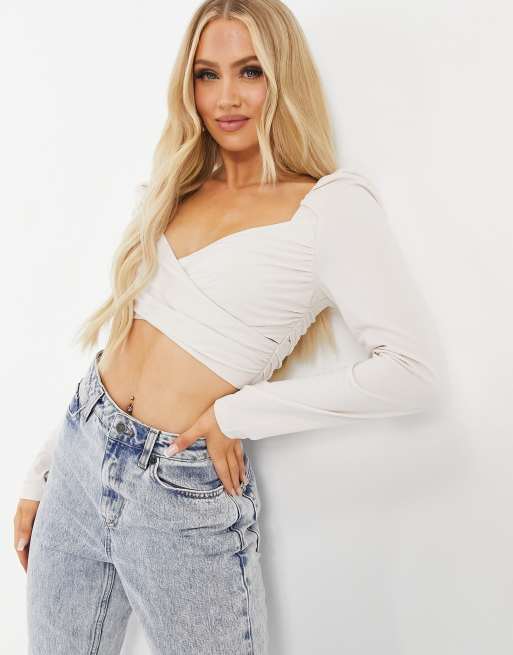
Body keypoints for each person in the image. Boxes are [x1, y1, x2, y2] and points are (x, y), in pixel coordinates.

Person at [13, 1, 445, 654]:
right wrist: (43, 471)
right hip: (79, 454)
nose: (226, 98)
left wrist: (236, 414)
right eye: (206, 74)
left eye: (249, 71)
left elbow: (411, 372)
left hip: (179, 487)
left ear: (282, 77)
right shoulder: (175, 188)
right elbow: (125, 343)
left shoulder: (328, 206)